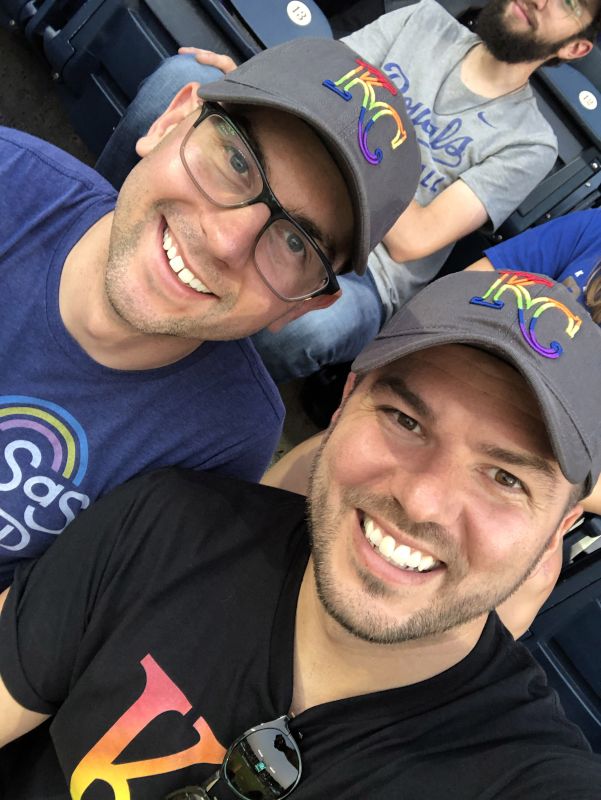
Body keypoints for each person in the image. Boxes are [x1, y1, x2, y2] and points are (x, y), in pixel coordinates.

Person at [1, 269, 601, 798]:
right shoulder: (165, 525)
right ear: (344, 404)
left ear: (561, 528)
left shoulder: (522, 773)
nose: (422, 500)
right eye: (405, 420)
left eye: (505, 477)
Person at [0, 38, 419, 590]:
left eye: (296, 244)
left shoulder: (225, 442)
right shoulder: (9, 176)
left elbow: (45, 611)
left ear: (305, 306)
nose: (226, 241)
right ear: (171, 120)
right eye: (237, 162)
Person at [95, 0, 601, 382]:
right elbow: (313, 83)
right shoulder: (423, 19)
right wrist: (248, 84)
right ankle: (97, 235)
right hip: (292, 181)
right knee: (188, 78)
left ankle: (180, 383)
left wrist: (345, 137)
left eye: (570, 3)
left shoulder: (529, 142)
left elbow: (415, 240)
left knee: (313, 329)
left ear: (575, 47)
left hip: (368, 275)